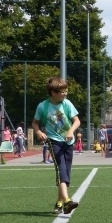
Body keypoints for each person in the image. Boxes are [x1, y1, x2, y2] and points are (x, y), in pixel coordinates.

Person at [33, 76, 81, 215]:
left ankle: (59, 203)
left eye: (66, 90)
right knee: (61, 169)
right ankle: (67, 201)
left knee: (66, 172)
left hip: (68, 142)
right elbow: (35, 123)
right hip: (54, 141)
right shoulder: (43, 106)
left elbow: (77, 121)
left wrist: (71, 131)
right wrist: (38, 132)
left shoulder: (67, 104)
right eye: (62, 91)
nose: (65, 93)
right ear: (53, 93)